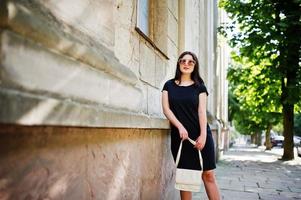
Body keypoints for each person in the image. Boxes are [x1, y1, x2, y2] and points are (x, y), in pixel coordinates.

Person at [161, 51, 220, 200]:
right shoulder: (168, 85)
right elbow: (166, 110)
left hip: (201, 134)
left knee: (208, 175)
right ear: (179, 63)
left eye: (190, 62)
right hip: (181, 137)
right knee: (185, 179)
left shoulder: (199, 86)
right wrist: (180, 126)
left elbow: (201, 112)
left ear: (195, 65)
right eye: (183, 61)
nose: (186, 64)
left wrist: (203, 136)